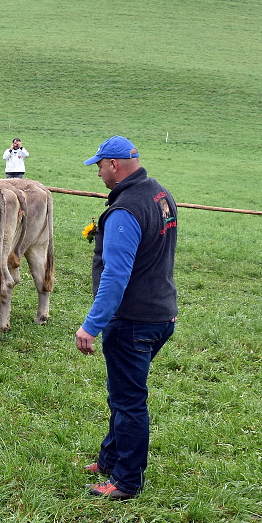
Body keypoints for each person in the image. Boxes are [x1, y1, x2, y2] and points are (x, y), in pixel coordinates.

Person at [75, 135, 178, 501]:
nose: (98, 172)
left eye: (99, 165)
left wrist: (93, 323)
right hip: (162, 313)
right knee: (123, 392)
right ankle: (110, 458)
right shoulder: (159, 194)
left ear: (114, 165)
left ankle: (126, 481)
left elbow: (115, 275)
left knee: (129, 401)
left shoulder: (125, 211)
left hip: (133, 319)